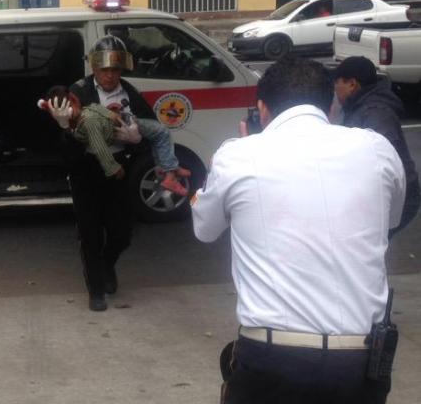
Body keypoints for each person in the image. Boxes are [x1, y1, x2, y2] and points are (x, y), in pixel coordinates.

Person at [192, 56, 405, 404]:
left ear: (262, 109)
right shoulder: (378, 149)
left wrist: (217, 171)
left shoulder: (238, 156)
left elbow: (204, 228)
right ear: (330, 106)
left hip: (272, 357)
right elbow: (390, 219)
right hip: (361, 357)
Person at [44, 36, 158, 312]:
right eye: (105, 69)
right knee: (90, 233)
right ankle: (96, 289)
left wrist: (136, 140)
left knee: (123, 233)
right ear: (94, 68)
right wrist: (65, 128)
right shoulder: (78, 91)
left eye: (115, 70)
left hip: (120, 169)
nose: (110, 75)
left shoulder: (129, 93)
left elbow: (152, 131)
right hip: (86, 170)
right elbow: (62, 139)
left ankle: (108, 263)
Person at [42, 86, 190, 195]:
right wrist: (113, 167)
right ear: (73, 99)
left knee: (157, 137)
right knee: (161, 133)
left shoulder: (83, 118)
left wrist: (111, 114)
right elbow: (99, 148)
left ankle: (168, 167)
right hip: (125, 123)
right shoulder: (89, 123)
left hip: (117, 123)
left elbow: (94, 107)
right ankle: (170, 174)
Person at [334, 56, 420, 237]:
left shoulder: (376, 112)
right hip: (394, 192)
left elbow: (380, 161)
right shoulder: (359, 104)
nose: (335, 89)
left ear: (352, 84)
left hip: (400, 196)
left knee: (367, 244)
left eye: (337, 83)